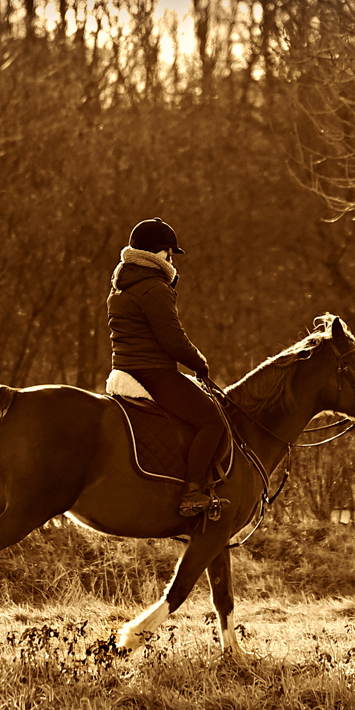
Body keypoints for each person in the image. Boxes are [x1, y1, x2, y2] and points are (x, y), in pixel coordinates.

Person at [108, 218, 223, 517]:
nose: (171, 259)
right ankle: (193, 491)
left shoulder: (121, 284)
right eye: (169, 253)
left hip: (125, 367)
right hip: (154, 372)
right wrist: (200, 363)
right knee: (213, 422)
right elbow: (173, 339)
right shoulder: (153, 287)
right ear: (156, 252)